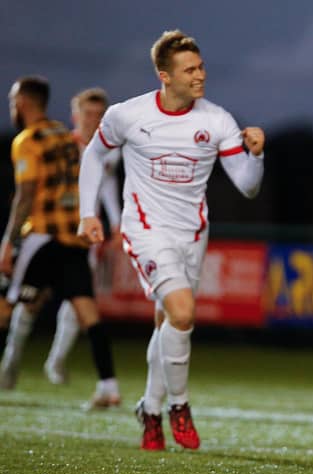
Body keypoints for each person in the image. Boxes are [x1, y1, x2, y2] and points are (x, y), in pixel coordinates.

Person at [78, 30, 265, 451]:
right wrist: (87, 213)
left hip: (193, 233)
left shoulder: (216, 120)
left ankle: (149, 407)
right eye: (190, 70)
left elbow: (248, 186)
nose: (200, 75)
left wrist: (257, 154)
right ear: (165, 75)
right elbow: (93, 153)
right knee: (182, 313)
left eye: (200, 67)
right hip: (145, 230)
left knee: (169, 324)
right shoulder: (129, 115)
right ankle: (179, 405)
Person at [0, 76, 121, 410]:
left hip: (42, 236)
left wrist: (8, 243)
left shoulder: (29, 139)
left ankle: (19, 365)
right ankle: (109, 385)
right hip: (75, 239)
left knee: (7, 302)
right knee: (87, 313)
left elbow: (25, 197)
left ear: (22, 102)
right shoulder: (66, 140)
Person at [43, 87, 123, 385]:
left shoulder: (109, 152)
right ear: (75, 115)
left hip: (84, 235)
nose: (93, 119)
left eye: (99, 114)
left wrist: (116, 223)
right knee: (29, 300)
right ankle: (10, 365)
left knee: (78, 300)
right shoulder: (62, 145)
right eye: (88, 113)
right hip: (49, 231)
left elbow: (107, 189)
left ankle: (56, 361)